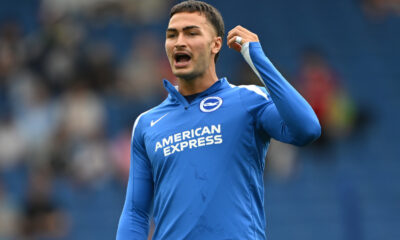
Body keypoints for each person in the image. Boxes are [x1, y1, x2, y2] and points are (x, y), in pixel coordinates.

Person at [116, 1, 321, 239]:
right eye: (172, 35)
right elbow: (135, 213)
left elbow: (307, 129)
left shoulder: (248, 100)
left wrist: (258, 59)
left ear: (215, 44)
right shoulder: (147, 123)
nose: (179, 41)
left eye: (191, 33)